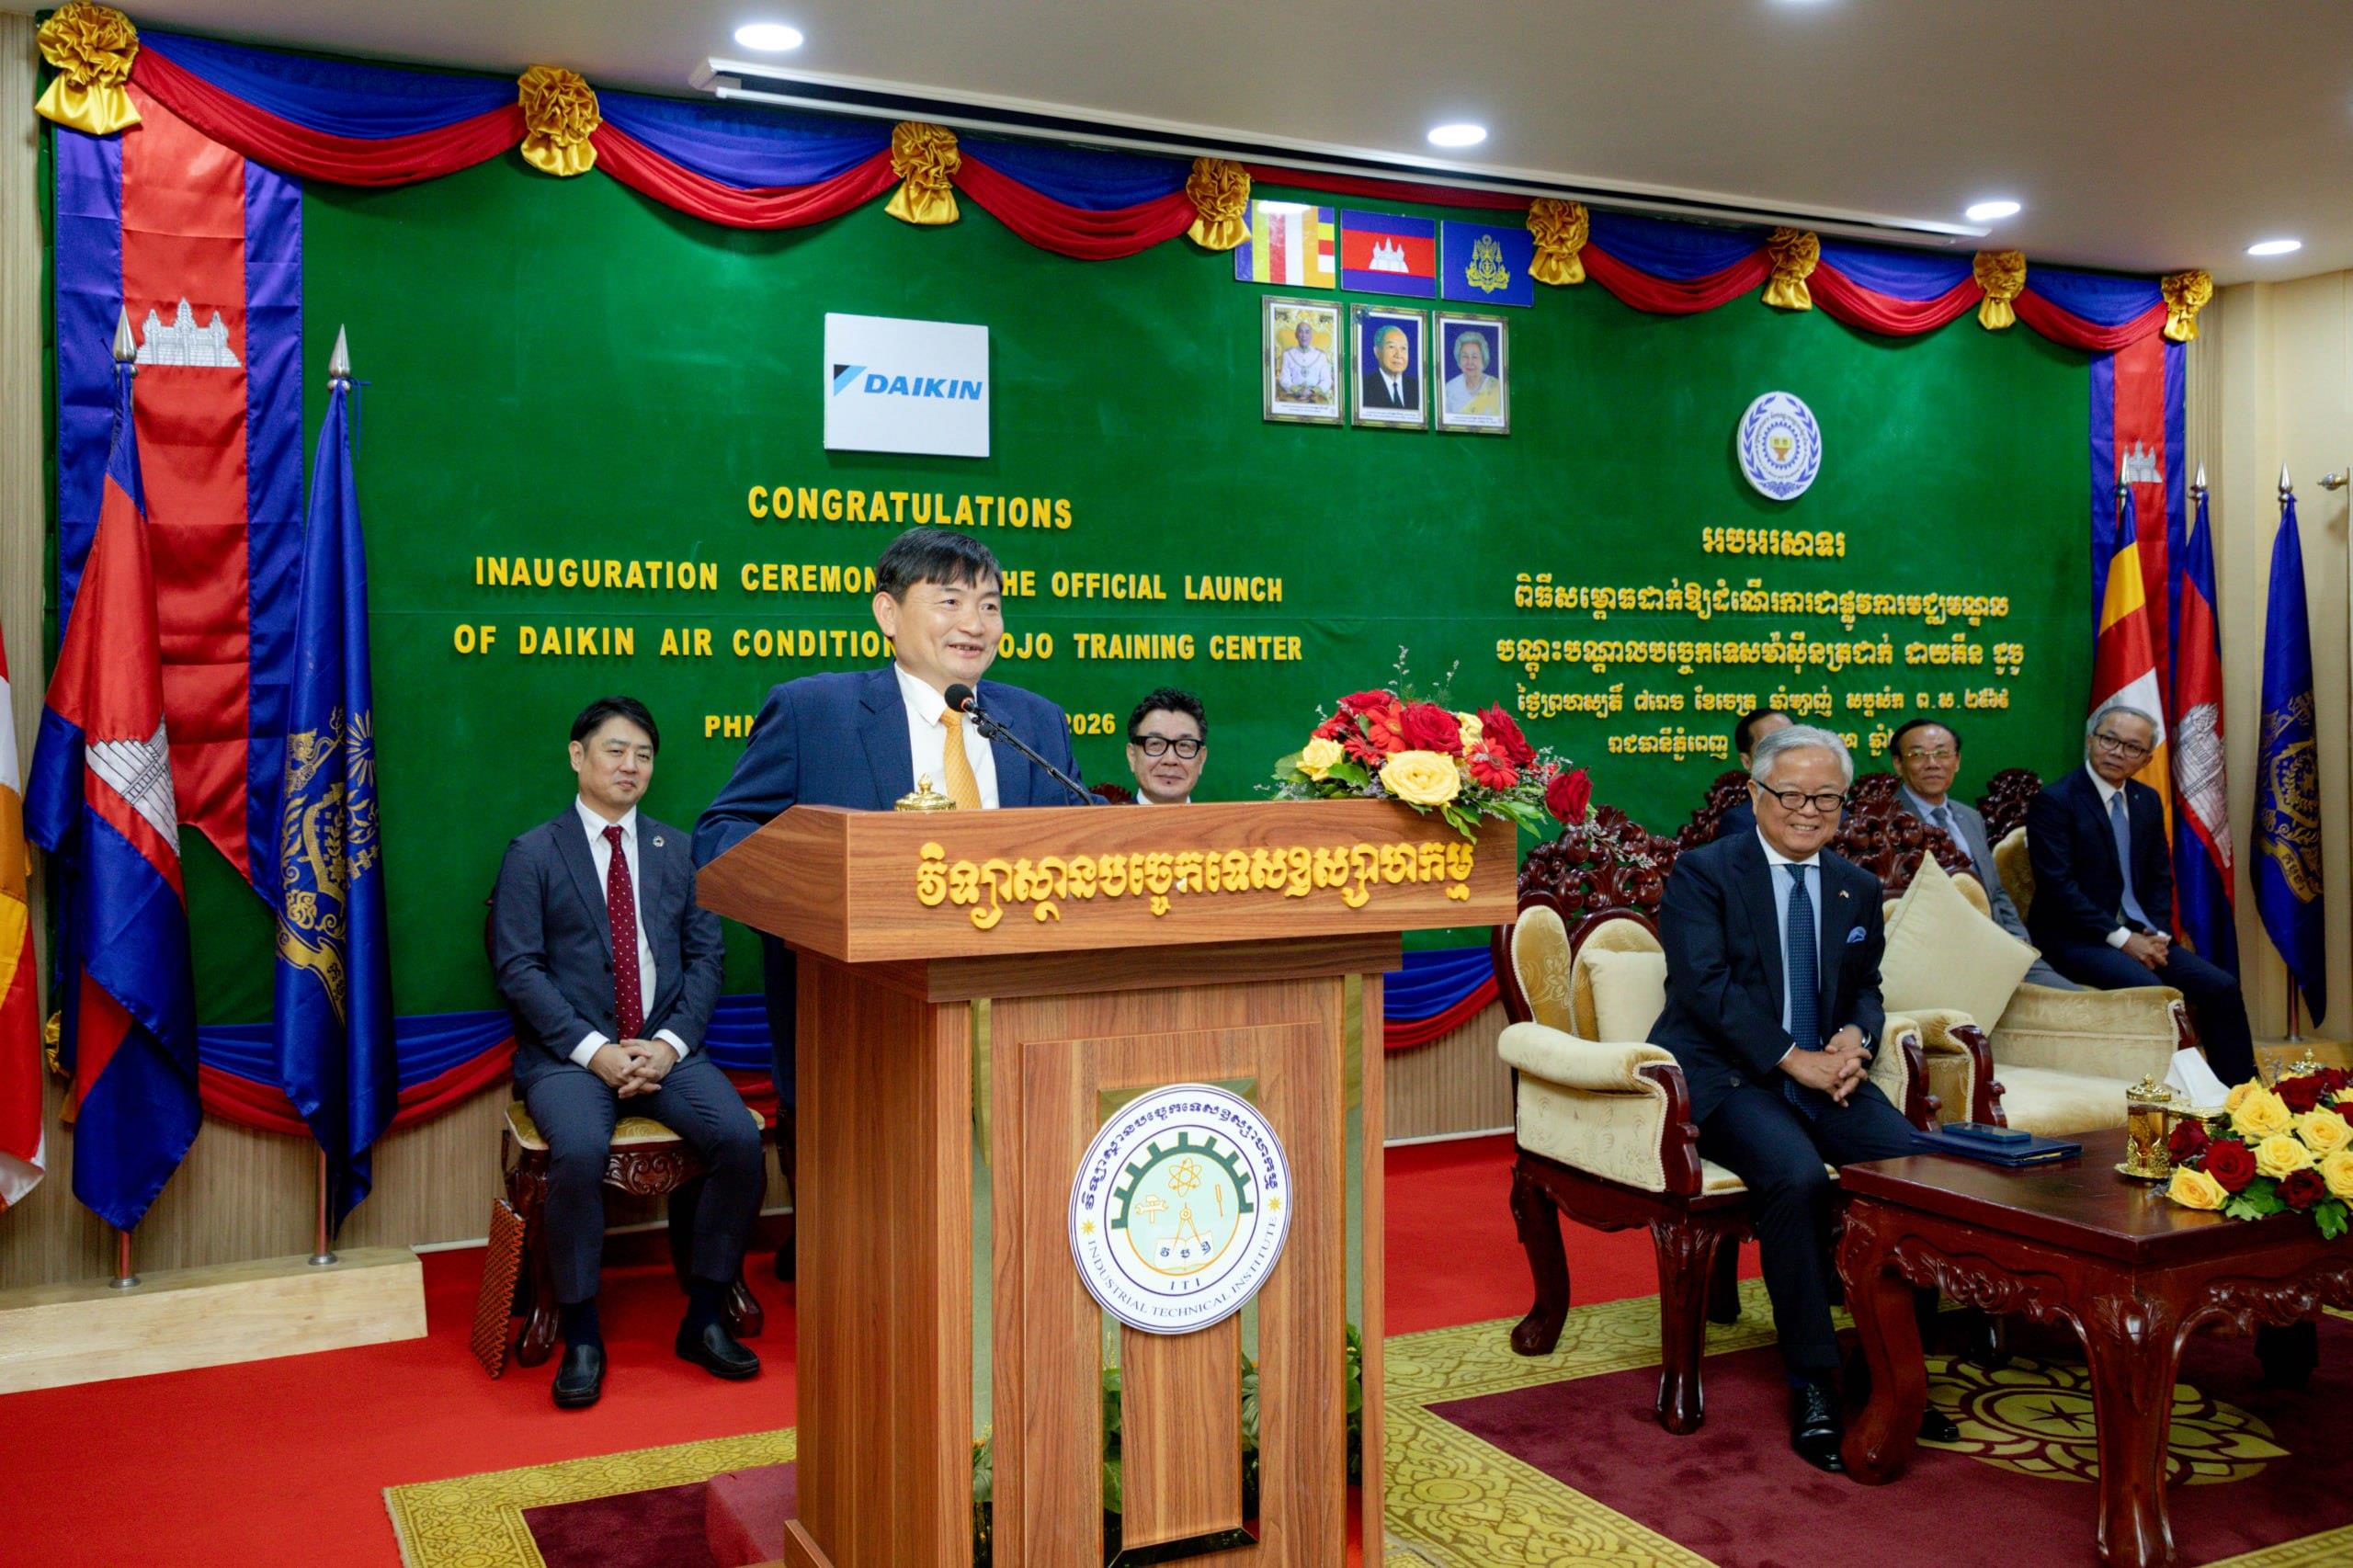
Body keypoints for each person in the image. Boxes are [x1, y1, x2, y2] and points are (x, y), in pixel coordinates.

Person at [694, 528, 1091, 1125]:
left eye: (990, 606)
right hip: (859, 1039)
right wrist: (826, 887)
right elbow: (720, 836)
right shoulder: (813, 713)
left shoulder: (1037, 723)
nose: (976, 624)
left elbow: (1085, 843)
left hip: (1023, 1040)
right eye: (951, 601)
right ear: (888, 612)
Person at [1649, 724, 1956, 1471]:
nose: (1809, 811)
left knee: (1917, 1173)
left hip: (1828, 1075)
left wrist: (1855, 1038)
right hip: (1730, 1076)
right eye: (1791, 795)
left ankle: (1894, 1373)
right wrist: (1794, 1060)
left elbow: (1866, 988)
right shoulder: (1705, 873)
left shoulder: (1855, 884)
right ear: (1756, 793)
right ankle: (1814, 1381)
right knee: (1792, 1178)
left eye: (1826, 798)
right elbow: (1704, 988)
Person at [492, 696, 762, 1409]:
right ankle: (581, 1331)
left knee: (739, 1142)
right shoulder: (533, 853)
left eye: (643, 755)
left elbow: (706, 960)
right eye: (615, 750)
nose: (630, 766)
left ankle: (704, 1314)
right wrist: (594, 1051)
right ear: (578, 756)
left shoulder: (680, 851)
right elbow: (518, 968)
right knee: (580, 1150)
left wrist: (667, 1047)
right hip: (570, 1057)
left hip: (666, 1048)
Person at [2025, 704, 2255, 1084]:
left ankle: (2241, 1096)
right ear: (2090, 740)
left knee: (2221, 986)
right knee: (2154, 993)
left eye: (2132, 747)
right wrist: (2124, 939)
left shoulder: (2145, 800)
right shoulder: (2057, 800)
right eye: (2109, 740)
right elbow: (2058, 888)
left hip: (2141, 934)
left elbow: (2159, 878)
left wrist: (2157, 934)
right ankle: (2182, 1097)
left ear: (2147, 759)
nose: (2117, 752)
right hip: (2074, 938)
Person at [1887, 719, 2078, 991]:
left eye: (1942, 753)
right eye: (1918, 754)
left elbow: (1996, 892)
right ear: (1898, 763)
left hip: (2002, 947)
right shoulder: (1886, 823)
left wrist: (2020, 943)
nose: (1932, 764)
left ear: (1957, 761)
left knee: (2075, 1000)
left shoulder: (1970, 818)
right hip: (1939, 959)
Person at [1711, 706, 1792, 842]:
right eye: (1769, 746)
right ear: (1747, 761)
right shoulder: (1740, 822)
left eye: (1790, 742)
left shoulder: (1826, 806)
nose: (1784, 753)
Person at [1126, 687, 1207, 804]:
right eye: (1155, 744)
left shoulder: (1226, 817)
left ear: (1201, 759)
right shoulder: (1106, 817)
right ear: (1132, 756)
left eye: (1184, 745)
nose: (1170, 760)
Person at [1441, 329, 1501, 417]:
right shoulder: (1450, 389)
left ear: (1483, 359)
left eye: (1475, 357)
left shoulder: (1497, 387)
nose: (1470, 362)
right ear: (1459, 360)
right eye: (1465, 356)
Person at [1276, 317, 1335, 405]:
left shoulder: (1321, 355)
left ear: (1311, 336)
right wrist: (1298, 391)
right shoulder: (1288, 354)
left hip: (1316, 396)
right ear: (1296, 335)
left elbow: (1327, 380)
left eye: (1307, 332)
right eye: (1301, 332)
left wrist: (1312, 391)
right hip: (1293, 395)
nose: (1304, 336)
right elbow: (1284, 379)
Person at [1359, 324, 1419, 411]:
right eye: (1391, 347)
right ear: (1377, 352)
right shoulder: (1364, 387)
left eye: (1403, 348)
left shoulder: (1417, 387)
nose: (1398, 355)